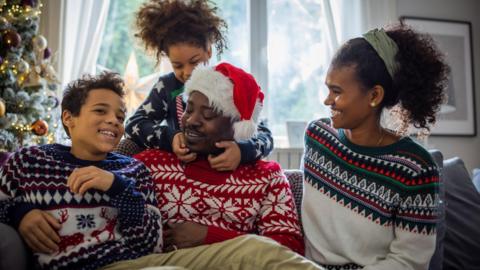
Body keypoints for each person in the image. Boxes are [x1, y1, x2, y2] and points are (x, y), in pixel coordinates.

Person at [302, 23, 449, 270]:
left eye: (336, 91)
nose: (327, 100)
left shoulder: (415, 168)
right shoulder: (317, 136)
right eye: (328, 88)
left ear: (374, 96)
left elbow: (409, 261)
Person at [134, 62, 305, 255]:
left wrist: (209, 237)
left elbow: (289, 252)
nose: (191, 121)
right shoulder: (150, 165)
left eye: (208, 115)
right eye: (189, 110)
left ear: (237, 126)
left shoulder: (268, 178)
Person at [0, 72, 163, 269]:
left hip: (133, 263)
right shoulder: (28, 161)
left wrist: (117, 187)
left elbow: (152, 246)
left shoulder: (136, 171)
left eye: (120, 117)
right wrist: (20, 214)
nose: (114, 120)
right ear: (69, 118)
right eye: (101, 111)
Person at [123, 0, 273, 171]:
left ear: (209, 50)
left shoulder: (230, 84)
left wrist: (242, 151)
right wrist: (170, 137)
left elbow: (265, 134)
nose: (187, 72)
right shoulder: (167, 86)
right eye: (177, 65)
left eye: (194, 61)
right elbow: (134, 123)